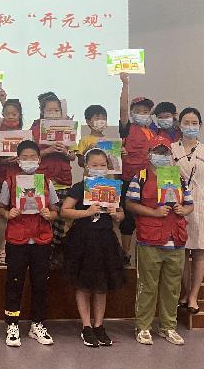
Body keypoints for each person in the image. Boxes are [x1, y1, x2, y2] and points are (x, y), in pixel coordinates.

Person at [126, 134, 194, 346]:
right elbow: (130, 203)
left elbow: (190, 204)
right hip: (150, 240)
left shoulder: (178, 177)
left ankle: (168, 327)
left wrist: (183, 209)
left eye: (165, 153)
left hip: (176, 239)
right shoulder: (141, 177)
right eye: (157, 152)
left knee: (172, 287)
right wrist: (153, 212)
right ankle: (143, 327)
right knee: (147, 286)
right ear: (149, 154)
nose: (162, 156)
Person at [61, 148, 126, 347]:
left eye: (102, 165)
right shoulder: (80, 187)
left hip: (105, 240)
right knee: (83, 284)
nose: (99, 168)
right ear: (86, 166)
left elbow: (121, 215)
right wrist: (87, 212)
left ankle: (99, 325)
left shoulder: (112, 187)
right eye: (94, 165)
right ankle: (86, 326)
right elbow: (65, 211)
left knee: (101, 286)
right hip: (83, 239)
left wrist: (116, 214)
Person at [0, 140, 58, 348]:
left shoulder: (47, 182)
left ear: (39, 160)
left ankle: (37, 324)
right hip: (17, 238)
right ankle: (12, 324)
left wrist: (50, 214)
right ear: (18, 160)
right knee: (14, 282)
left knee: (40, 283)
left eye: (33, 157)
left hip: (41, 238)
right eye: (24, 157)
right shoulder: (10, 182)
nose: (29, 160)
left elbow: (56, 210)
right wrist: (8, 213)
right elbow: (0, 207)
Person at [171, 108, 204, 315]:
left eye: (194, 123)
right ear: (179, 124)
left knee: (199, 253)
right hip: (179, 206)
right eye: (186, 122)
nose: (190, 126)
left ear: (200, 125)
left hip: (201, 206)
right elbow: (166, 180)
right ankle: (185, 292)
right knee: (182, 252)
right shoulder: (171, 149)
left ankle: (193, 296)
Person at [32, 91, 75, 265]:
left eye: (56, 110)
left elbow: (73, 156)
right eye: (49, 110)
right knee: (43, 217)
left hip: (63, 180)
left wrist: (65, 151)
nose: (53, 113)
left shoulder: (67, 128)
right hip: (42, 179)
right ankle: (43, 253)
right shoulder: (35, 128)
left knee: (61, 219)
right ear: (42, 111)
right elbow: (29, 155)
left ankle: (57, 251)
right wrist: (47, 150)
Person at [118, 72, 156, 264]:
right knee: (127, 220)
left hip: (147, 180)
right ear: (132, 113)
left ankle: (147, 254)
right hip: (127, 179)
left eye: (146, 111)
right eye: (138, 110)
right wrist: (125, 84)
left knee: (147, 216)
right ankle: (125, 254)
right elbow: (123, 108)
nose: (142, 113)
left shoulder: (153, 131)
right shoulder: (127, 128)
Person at [0, 98, 24, 265]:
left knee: (20, 213)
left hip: (20, 179)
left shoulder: (25, 135)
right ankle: (2, 249)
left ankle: (17, 248)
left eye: (14, 114)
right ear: (2, 115)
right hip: (0, 178)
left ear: (19, 115)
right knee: (1, 213)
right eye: (7, 114)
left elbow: (32, 157)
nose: (10, 117)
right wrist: (3, 161)